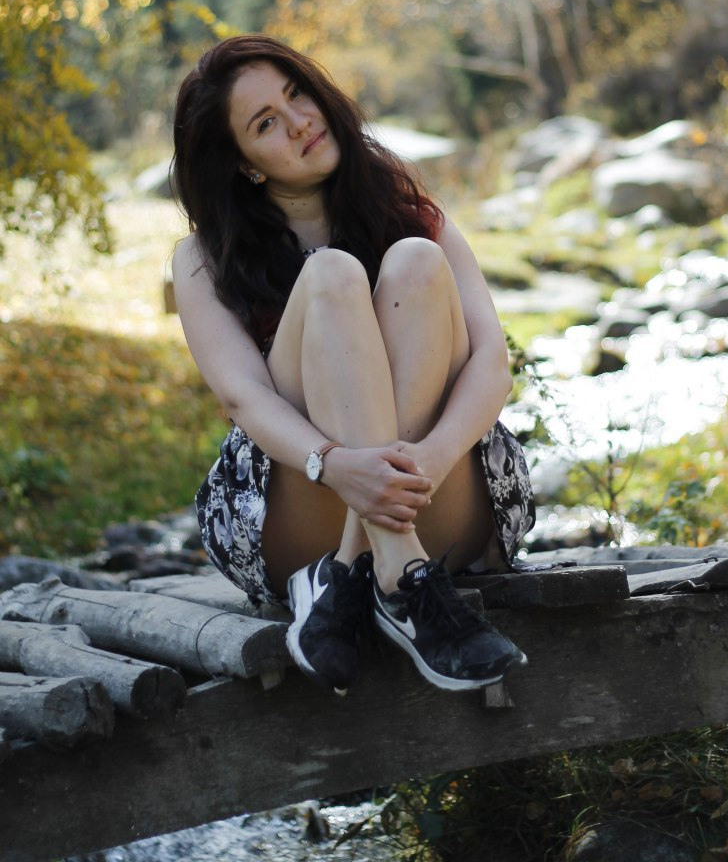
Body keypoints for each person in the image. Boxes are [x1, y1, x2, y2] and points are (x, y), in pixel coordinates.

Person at [171, 34, 534, 695]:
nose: (299, 121)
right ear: (244, 164)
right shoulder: (201, 260)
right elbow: (245, 400)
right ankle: (404, 576)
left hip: (439, 485)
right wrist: (335, 465)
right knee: (332, 274)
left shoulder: (406, 209)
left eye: (295, 94)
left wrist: (426, 459)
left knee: (416, 263)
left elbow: (492, 363)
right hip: (298, 507)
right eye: (265, 124)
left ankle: (353, 568)